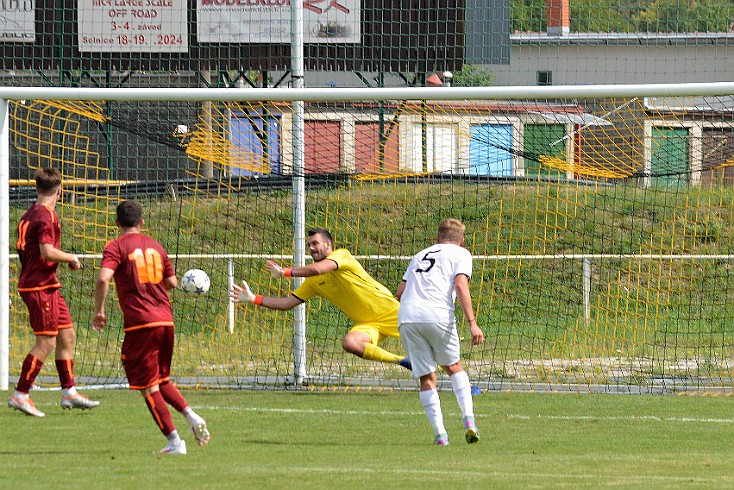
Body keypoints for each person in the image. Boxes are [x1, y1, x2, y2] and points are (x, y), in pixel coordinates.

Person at [92, 200, 210, 455]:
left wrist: (99, 310)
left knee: (148, 386)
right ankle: (190, 415)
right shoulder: (156, 246)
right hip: (165, 320)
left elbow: (103, 278)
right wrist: (152, 290)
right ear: (142, 222)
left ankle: (175, 442)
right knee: (161, 378)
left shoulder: (116, 246)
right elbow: (172, 281)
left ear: (117, 223)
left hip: (141, 324)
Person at [230, 227, 411, 370]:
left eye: (315, 243)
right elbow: (287, 303)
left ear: (328, 245)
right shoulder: (314, 282)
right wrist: (254, 298)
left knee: (438, 348)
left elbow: (318, 268)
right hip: (369, 324)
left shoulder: (342, 255)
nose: (311, 248)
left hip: (393, 312)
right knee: (350, 343)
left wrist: (285, 272)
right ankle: (404, 362)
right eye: (309, 245)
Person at [9, 167, 99, 417]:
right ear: (59, 191)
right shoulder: (45, 216)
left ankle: (69, 392)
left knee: (67, 336)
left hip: (46, 284)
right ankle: (21, 394)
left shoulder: (28, 214)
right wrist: (71, 257)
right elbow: (47, 251)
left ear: (37, 188)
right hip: (39, 287)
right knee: (46, 341)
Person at [395, 218, 485, 446]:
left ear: (437, 238)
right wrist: (472, 322)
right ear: (462, 240)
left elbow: (400, 291)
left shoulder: (419, 255)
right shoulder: (461, 254)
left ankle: (441, 436)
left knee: (426, 376)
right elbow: (461, 285)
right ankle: (469, 423)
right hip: (436, 314)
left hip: (407, 317)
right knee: (453, 366)